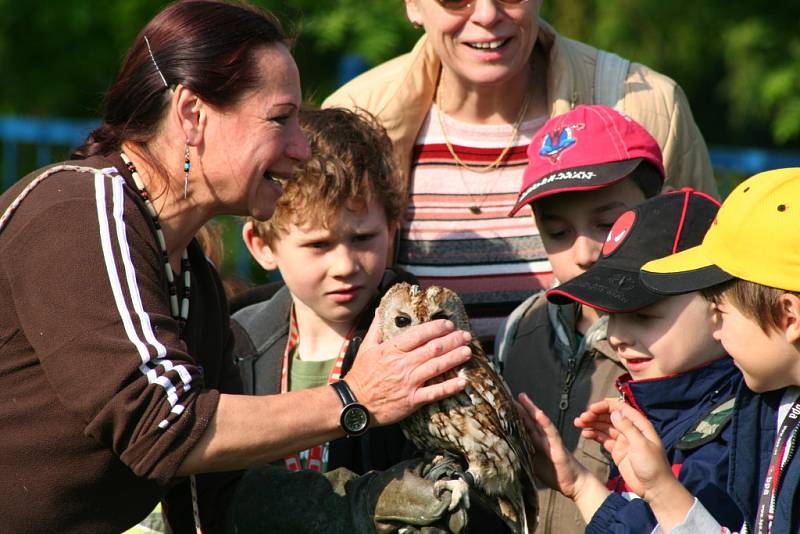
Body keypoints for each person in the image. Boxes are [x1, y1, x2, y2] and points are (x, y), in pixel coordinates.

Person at [0, 3, 474, 533]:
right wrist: (353, 397)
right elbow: (161, 423)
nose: (300, 148)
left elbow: (218, 494)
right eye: (280, 118)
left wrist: (363, 504)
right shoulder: (82, 208)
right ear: (191, 114)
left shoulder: (192, 278)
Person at [323, 0, 718, 352]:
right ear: (412, 5)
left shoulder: (645, 103)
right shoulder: (355, 114)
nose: (486, 14)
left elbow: (709, 295)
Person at [579, 167, 798, 534]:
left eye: (722, 311)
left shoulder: (757, 411)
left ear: (787, 316)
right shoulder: (775, 410)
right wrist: (661, 491)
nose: (719, 331)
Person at [518, 189, 744, 533]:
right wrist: (579, 483)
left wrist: (661, 490)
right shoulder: (658, 406)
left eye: (642, 315)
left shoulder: (743, 431)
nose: (616, 336)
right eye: (610, 315)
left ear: (719, 308)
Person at [494, 104, 660, 533]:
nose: (584, 254)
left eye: (606, 223)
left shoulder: (681, 339)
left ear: (656, 207)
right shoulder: (521, 328)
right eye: (558, 233)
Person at [231, 106, 416, 474]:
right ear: (262, 246)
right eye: (319, 245)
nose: (346, 266)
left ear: (392, 231)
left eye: (363, 238)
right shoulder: (234, 343)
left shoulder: (421, 343)